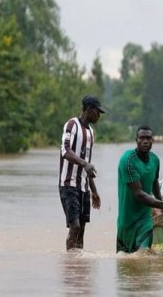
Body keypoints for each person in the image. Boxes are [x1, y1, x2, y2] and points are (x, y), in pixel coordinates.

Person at [59, 95, 106, 251]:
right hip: (69, 184)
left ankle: (79, 266)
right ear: (88, 110)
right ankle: (70, 264)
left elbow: (87, 165)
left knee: (82, 229)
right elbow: (65, 151)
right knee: (75, 226)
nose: (99, 116)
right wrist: (84, 163)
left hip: (84, 187)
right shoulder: (72, 125)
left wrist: (94, 191)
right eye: (97, 112)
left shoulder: (91, 133)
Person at [117, 125, 163, 254]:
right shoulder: (128, 160)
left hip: (145, 219)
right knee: (124, 261)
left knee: (143, 255)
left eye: (148, 138)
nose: (145, 141)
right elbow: (139, 194)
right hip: (127, 220)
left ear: (152, 140)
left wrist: (161, 207)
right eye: (142, 138)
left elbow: (154, 185)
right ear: (136, 140)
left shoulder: (155, 160)